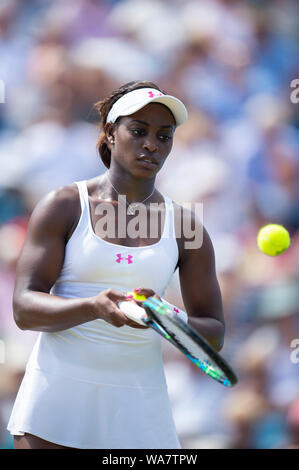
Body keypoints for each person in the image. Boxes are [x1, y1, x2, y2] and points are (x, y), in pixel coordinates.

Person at [7, 80, 225, 449]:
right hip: (54, 405)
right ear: (110, 133)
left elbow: (214, 335)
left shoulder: (187, 226)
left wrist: (167, 317)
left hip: (140, 411)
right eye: (138, 131)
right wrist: (94, 307)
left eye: (164, 135)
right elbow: (24, 309)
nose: (152, 144)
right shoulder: (63, 205)